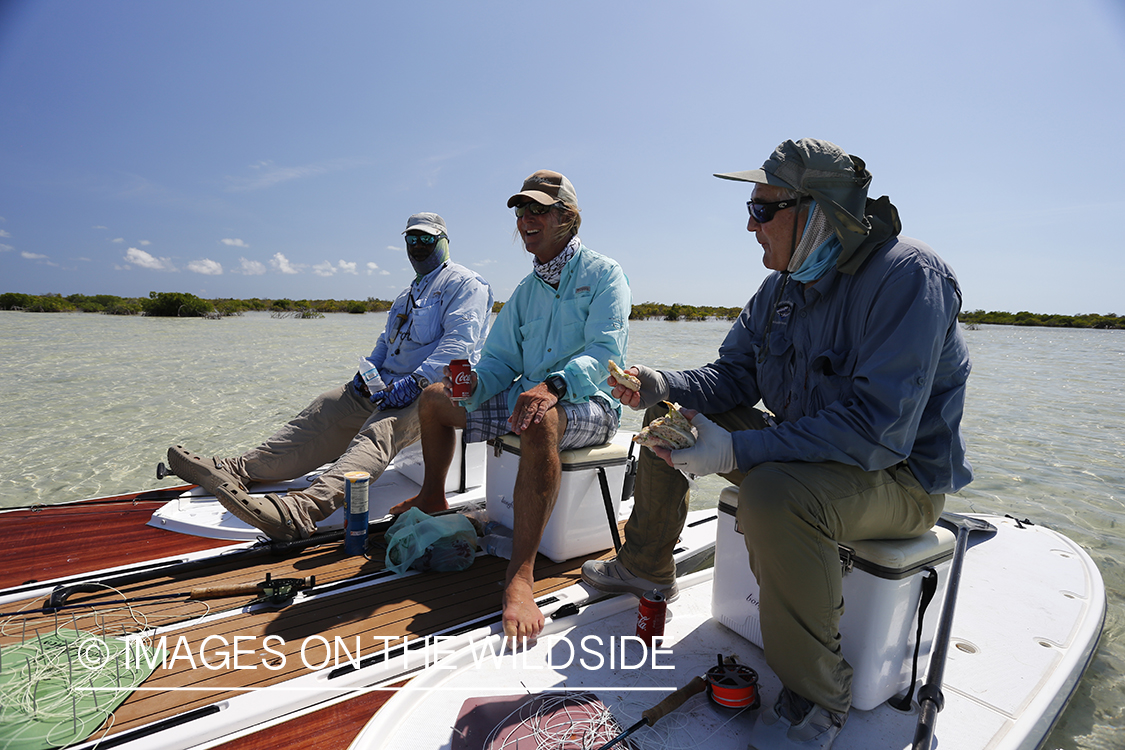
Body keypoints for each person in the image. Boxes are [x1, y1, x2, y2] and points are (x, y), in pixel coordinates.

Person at [583, 139, 972, 750]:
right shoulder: (780, 289)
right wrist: (656, 385)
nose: (749, 222)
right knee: (670, 417)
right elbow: (731, 376)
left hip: (899, 481)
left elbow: (877, 431)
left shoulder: (909, 278)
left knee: (771, 496)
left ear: (819, 211)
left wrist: (737, 453)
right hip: (811, 457)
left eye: (763, 209)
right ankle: (645, 566)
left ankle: (818, 696)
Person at [394, 170, 631, 644]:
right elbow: (501, 361)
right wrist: (471, 385)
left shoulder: (605, 274)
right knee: (435, 399)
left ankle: (520, 576)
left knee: (539, 416)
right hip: (532, 399)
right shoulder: (524, 291)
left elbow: (606, 353)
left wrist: (555, 386)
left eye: (539, 209)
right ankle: (434, 496)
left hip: (592, 402)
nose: (526, 219)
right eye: (521, 211)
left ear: (569, 218)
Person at [167, 213, 493, 541]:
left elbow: (459, 346)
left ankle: (301, 511)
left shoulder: (465, 285)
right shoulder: (406, 295)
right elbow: (385, 342)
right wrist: (368, 373)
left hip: (433, 391)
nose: (418, 246)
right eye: (412, 239)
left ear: (444, 242)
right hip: (386, 386)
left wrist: (416, 382)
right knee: (324, 407)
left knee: (379, 432)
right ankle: (239, 470)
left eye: (427, 239)